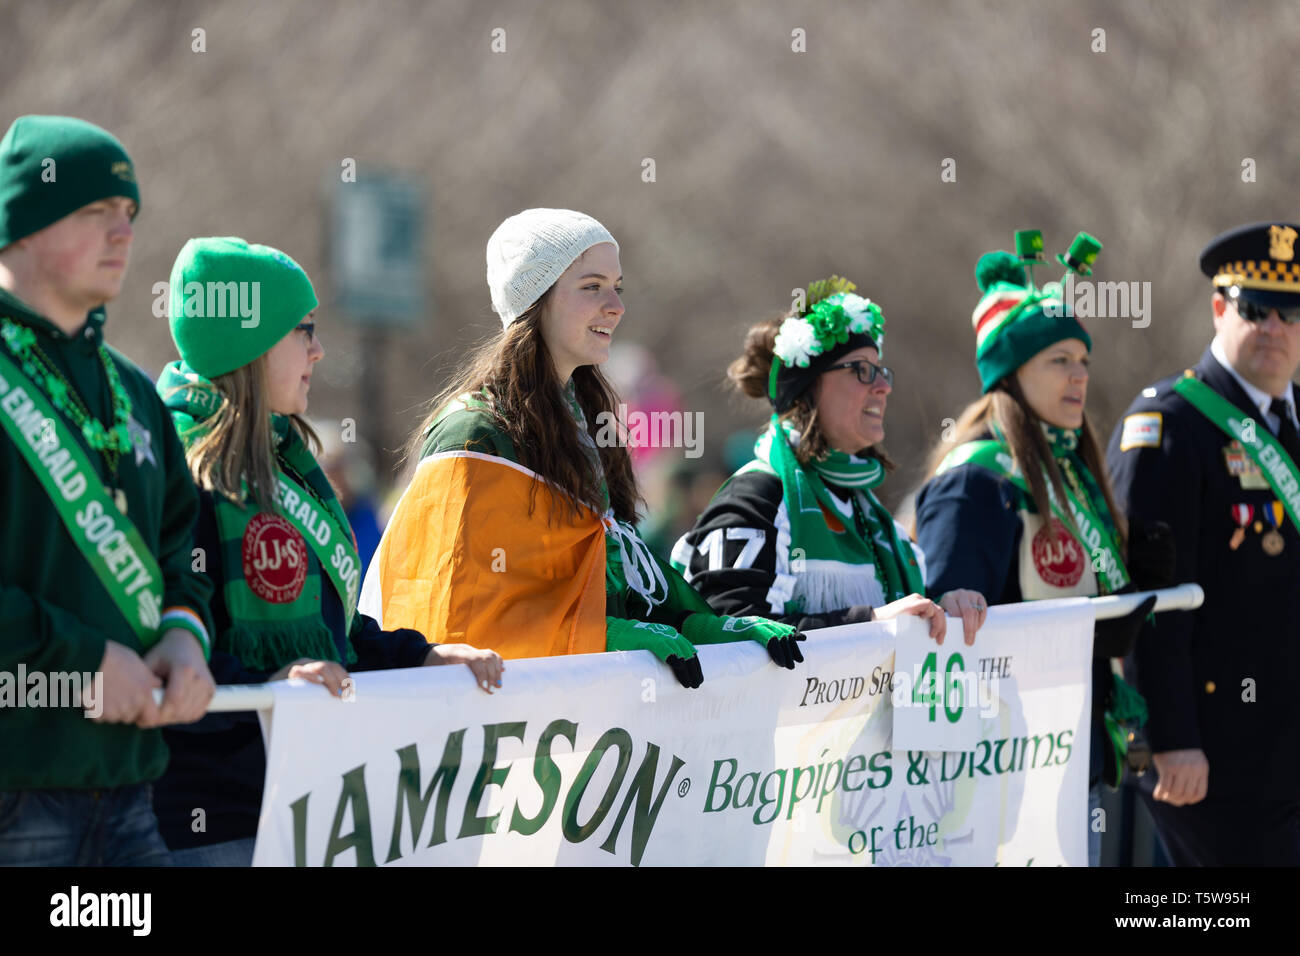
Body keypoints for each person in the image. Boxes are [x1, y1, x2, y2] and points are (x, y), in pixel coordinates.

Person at [153, 237, 503, 866]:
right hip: (209, 821)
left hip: (308, 796)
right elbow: (163, 646)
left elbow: (330, 633)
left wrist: (419, 653)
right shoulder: (176, 472)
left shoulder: (285, 466)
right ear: (249, 343)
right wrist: (270, 682)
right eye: (302, 331)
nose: (318, 349)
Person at [361, 208, 805, 688]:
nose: (615, 305)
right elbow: (455, 608)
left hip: (598, 716)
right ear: (535, 299)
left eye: (618, 286)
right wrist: (598, 635)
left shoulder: (589, 421)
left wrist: (695, 621)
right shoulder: (474, 432)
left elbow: (613, 563)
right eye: (592, 286)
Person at [913, 232, 1171, 866]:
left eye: (1083, 360)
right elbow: (950, 626)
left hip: (1073, 744)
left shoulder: (1071, 474)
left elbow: (1091, 624)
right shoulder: (977, 478)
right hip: (1001, 760)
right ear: (1012, 373)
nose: (1079, 375)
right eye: (1059, 360)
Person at [0, 115, 215, 866]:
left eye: (128, 214)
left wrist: (186, 635)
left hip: (129, 795)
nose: (123, 232)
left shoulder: (134, 389)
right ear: (18, 225)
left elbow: (180, 546)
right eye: (95, 211)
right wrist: (81, 661)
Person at [1106, 221, 1300, 866]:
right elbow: (1148, 597)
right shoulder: (1169, 425)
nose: (1275, 328)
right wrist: (1167, 737)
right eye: (1256, 309)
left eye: (1292, 313)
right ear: (1220, 308)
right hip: (1213, 749)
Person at [673, 276, 987, 645]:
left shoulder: (867, 511)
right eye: (861, 370)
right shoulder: (756, 496)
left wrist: (944, 607)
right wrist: (868, 622)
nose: (883, 387)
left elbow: (898, 614)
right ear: (805, 392)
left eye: (881, 371)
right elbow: (728, 633)